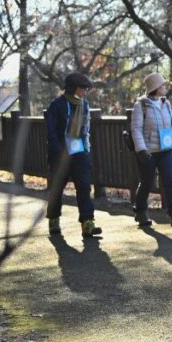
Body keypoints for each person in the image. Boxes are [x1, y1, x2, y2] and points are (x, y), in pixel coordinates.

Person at [45, 72, 100, 238]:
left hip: (79, 152)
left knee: (84, 186)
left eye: (85, 88)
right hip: (60, 154)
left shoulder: (84, 105)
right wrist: (58, 150)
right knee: (57, 188)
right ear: (72, 88)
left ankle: (87, 223)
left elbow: (85, 130)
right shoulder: (57, 105)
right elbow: (51, 131)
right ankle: (53, 220)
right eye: (82, 88)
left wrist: (86, 150)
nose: (84, 91)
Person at [131, 72, 172, 229]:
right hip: (148, 151)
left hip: (165, 150)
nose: (165, 87)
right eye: (162, 85)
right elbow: (136, 129)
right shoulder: (140, 105)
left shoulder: (165, 103)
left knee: (169, 181)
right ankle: (140, 211)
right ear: (155, 87)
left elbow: (171, 125)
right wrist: (141, 149)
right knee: (147, 182)